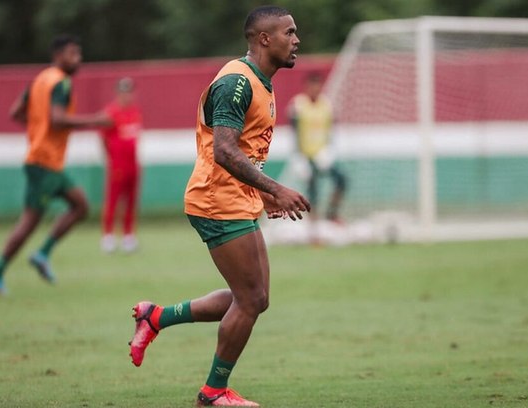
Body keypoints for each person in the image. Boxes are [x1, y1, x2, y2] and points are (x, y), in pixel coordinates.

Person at [128, 6, 309, 407]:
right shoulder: (236, 84)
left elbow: (243, 152)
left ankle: (155, 317)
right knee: (250, 299)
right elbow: (224, 152)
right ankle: (212, 393)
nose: (297, 40)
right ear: (264, 38)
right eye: (289, 32)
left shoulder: (261, 83)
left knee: (255, 298)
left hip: (236, 198)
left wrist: (262, 194)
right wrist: (276, 189)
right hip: (216, 201)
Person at [0, 34, 111, 295]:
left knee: (81, 205)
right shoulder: (61, 83)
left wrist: (38, 129)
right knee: (30, 221)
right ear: (58, 56)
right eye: (73, 53)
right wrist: (94, 120)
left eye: (79, 53)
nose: (78, 58)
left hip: (46, 160)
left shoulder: (41, 79)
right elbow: (57, 119)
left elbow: (16, 112)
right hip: (44, 161)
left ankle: (42, 254)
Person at [287, 72, 347, 225]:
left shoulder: (327, 105)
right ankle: (313, 224)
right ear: (306, 87)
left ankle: (331, 213)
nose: (315, 89)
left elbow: (331, 130)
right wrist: (298, 157)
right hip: (306, 155)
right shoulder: (298, 105)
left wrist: (329, 150)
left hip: (322, 154)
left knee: (342, 179)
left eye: (317, 86)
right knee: (313, 188)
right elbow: (294, 133)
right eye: (312, 86)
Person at [98, 77, 143, 253]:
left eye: (130, 91)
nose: (127, 95)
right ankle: (108, 236)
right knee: (113, 201)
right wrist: (111, 159)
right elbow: (103, 138)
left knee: (131, 201)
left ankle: (128, 236)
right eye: (124, 91)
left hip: (133, 165)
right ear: (118, 93)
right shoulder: (111, 113)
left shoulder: (135, 112)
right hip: (117, 165)